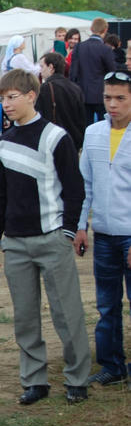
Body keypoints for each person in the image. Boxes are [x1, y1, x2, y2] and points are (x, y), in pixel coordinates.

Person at [0, 68, 90, 405]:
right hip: (15, 243)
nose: (6, 103)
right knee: (25, 317)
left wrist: (68, 232)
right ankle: (35, 380)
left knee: (66, 314)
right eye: (2, 98)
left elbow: (75, 190)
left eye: (12, 96)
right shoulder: (3, 143)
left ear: (32, 95)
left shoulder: (57, 137)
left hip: (52, 237)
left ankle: (77, 377)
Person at [75, 71, 131, 387]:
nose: (112, 104)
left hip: (130, 232)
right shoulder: (94, 133)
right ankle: (112, 364)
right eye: (108, 97)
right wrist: (81, 225)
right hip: (105, 234)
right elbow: (86, 184)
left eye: (120, 98)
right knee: (106, 304)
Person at [70, 18, 118, 126]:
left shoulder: (79, 47)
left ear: (91, 29)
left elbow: (73, 73)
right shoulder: (105, 49)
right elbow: (112, 72)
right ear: (105, 29)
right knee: (103, 126)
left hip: (83, 94)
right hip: (101, 94)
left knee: (86, 127)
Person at [36, 52, 87, 151]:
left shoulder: (45, 88)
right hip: (74, 140)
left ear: (50, 67)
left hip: (54, 140)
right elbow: (82, 118)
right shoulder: (75, 88)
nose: (40, 71)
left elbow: (40, 116)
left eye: (42, 67)